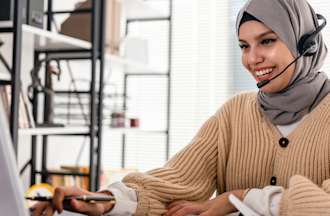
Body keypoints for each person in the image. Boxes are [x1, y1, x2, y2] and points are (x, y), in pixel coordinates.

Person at [32, 0, 330, 215]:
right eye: (243, 46)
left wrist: (239, 198)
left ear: (305, 45)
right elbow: (174, 180)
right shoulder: (235, 113)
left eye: (266, 41)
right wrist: (103, 200)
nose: (252, 59)